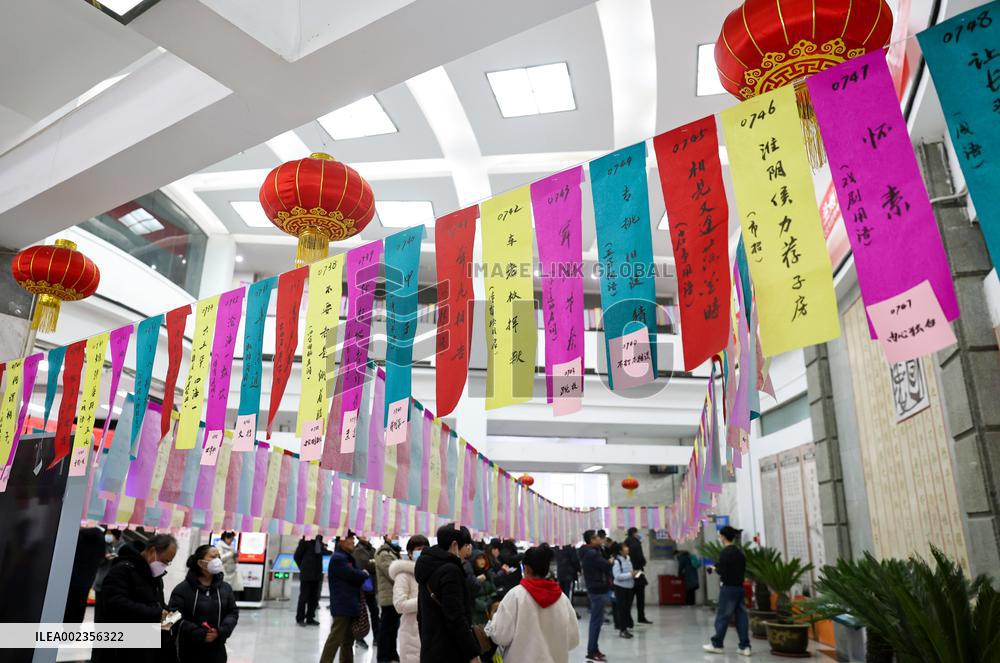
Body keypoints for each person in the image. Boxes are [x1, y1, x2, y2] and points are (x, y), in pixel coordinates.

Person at [485, 544, 580, 663]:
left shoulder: (515, 596)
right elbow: (573, 640)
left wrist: (494, 618)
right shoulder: (562, 599)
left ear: (527, 568)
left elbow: (500, 636)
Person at [92, 533, 177, 663]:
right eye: (165, 561)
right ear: (152, 551)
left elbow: (157, 603)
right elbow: (115, 604)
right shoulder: (122, 570)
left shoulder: (155, 577)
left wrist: (170, 616)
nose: (166, 566)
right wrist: (156, 614)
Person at [414, 522, 482, 663]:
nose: (468, 550)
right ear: (455, 545)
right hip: (449, 651)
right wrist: (472, 653)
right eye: (466, 545)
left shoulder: (427, 566)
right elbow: (455, 617)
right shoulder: (450, 571)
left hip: (431, 648)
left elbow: (421, 614)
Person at [168, 544, 239, 662]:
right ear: (201, 563)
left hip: (217, 650)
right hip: (189, 652)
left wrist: (220, 632)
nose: (217, 560)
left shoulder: (225, 588)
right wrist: (198, 633)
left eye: (218, 556)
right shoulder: (183, 589)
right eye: (213, 557)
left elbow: (233, 612)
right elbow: (172, 617)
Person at [320, 531, 370, 663]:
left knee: (347, 641)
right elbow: (353, 575)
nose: (353, 541)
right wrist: (363, 573)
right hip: (343, 606)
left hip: (350, 605)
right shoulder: (338, 558)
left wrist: (360, 573)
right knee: (335, 639)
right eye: (350, 538)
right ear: (341, 541)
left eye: (353, 538)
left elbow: (354, 574)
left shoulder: (346, 557)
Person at [703, 526, 751, 657]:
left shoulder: (725, 552)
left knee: (723, 617)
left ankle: (717, 644)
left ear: (723, 537)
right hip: (739, 589)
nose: (719, 538)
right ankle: (745, 646)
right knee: (741, 617)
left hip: (728, 589)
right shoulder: (740, 553)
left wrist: (714, 569)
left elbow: (722, 570)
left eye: (720, 536)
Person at [391, 534, 429, 663]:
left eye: (425, 548)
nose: (422, 552)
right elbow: (399, 605)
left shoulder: (431, 574)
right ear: (410, 553)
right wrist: (424, 600)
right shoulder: (403, 575)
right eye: (418, 549)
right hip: (411, 636)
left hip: (430, 635)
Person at [580, 530, 613, 662]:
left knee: (597, 621)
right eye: (599, 537)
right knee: (596, 622)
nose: (601, 539)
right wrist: (610, 561)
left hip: (597, 587)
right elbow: (606, 565)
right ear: (593, 540)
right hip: (597, 589)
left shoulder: (594, 551)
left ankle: (594, 648)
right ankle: (591, 651)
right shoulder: (592, 553)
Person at [64, 527, 107, 624]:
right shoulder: (100, 539)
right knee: (80, 605)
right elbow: (101, 558)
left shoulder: (79, 536)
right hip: (86, 581)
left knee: (67, 604)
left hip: (71, 578)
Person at [375, 534, 402, 663]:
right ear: (385, 537)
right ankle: (383, 657)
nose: (396, 536)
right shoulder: (383, 553)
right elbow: (392, 572)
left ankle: (392, 654)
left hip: (395, 596)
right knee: (386, 629)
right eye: (393, 534)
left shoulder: (394, 551)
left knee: (392, 629)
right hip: (388, 597)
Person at [353, 534, 380, 649]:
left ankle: (377, 638)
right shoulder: (358, 550)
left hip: (371, 587)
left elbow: (373, 563)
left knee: (374, 612)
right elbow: (365, 565)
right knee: (362, 614)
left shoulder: (372, 549)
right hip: (362, 587)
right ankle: (359, 638)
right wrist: (374, 562)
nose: (366, 535)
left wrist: (373, 562)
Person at [293, 534, 325, 626]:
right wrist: (303, 567)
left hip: (317, 574)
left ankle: (310, 617)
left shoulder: (319, 541)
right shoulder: (305, 541)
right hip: (307, 574)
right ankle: (300, 618)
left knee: (314, 598)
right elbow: (297, 557)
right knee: (304, 597)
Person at [625, 527, 651, 624]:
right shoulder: (636, 543)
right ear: (634, 533)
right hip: (638, 572)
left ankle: (627, 618)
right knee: (640, 596)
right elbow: (640, 558)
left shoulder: (625, 542)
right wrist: (643, 562)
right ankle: (641, 617)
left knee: (629, 598)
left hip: (628, 572)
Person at [610, 542, 636, 639]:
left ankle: (625, 628)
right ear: (620, 551)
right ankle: (622, 630)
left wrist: (634, 574)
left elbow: (630, 571)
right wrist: (630, 575)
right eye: (625, 547)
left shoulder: (628, 559)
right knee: (622, 609)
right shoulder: (617, 561)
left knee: (627, 609)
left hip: (629, 587)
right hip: (620, 588)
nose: (627, 548)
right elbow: (617, 576)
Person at [93, 528, 125, 603]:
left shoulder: (123, 547)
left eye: (110, 533)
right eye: (107, 533)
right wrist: (104, 557)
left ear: (116, 535)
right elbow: (97, 562)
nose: (107, 535)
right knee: (99, 609)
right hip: (100, 583)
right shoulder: (103, 545)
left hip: (115, 585)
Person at [469, 550, 498, 625]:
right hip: (477, 614)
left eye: (483, 558)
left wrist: (491, 601)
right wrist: (483, 605)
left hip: (490, 611)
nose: (482, 561)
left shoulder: (487, 573)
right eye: (479, 559)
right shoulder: (471, 577)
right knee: (481, 634)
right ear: (474, 561)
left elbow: (494, 590)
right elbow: (470, 596)